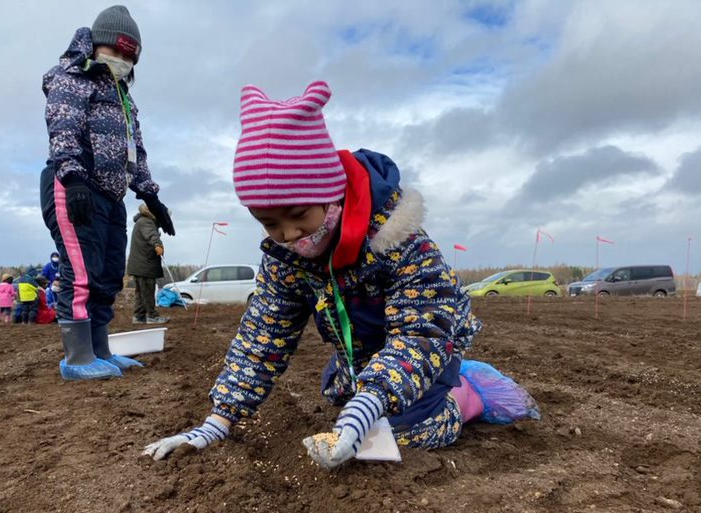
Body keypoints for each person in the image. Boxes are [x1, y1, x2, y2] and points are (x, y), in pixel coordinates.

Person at [144, 82, 538, 468]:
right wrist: (216, 423)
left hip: (425, 346)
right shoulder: (285, 256)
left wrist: (371, 400)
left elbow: (421, 331)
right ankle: (379, 391)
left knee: (401, 434)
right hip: (362, 355)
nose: (288, 235)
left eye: (298, 216)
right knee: (345, 404)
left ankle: (467, 391)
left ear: (329, 193)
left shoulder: (398, 239)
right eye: (269, 223)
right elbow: (262, 337)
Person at [39, 5, 174, 380]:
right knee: (81, 272)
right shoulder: (71, 78)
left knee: (109, 274)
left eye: (130, 56)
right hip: (75, 185)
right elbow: (63, 127)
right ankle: (77, 357)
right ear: (98, 45)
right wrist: (73, 177)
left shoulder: (124, 98)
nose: (123, 60)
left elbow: (135, 149)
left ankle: (100, 349)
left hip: (112, 195)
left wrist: (149, 195)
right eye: (117, 52)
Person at [127, 203, 169, 324]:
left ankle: (139, 316)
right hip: (144, 264)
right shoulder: (146, 222)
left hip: (140, 264)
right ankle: (152, 316)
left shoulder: (142, 221)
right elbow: (152, 235)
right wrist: (158, 245)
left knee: (141, 292)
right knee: (148, 292)